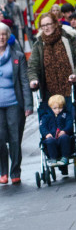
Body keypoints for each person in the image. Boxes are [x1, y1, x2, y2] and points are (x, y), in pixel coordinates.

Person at [27, 13, 76, 141]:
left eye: (48, 24)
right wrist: (33, 79)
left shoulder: (68, 39)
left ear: (55, 24)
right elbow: (33, 66)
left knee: (73, 121)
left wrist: (75, 75)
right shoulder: (39, 45)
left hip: (69, 89)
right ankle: (58, 151)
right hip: (50, 93)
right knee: (52, 122)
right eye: (43, 26)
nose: (46, 28)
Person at [0, 21, 32, 185]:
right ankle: (3, 171)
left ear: (8, 36)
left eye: (4, 34)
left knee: (14, 138)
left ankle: (15, 172)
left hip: (14, 103)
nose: (1, 37)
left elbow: (24, 82)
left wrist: (28, 105)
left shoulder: (17, 56)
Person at [39, 93, 74, 164]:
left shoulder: (66, 114)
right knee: (49, 141)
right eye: (55, 108)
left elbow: (69, 123)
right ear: (50, 107)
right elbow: (42, 126)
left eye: (60, 108)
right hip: (51, 136)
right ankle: (53, 158)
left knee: (65, 138)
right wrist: (46, 134)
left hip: (62, 136)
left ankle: (65, 157)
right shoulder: (46, 116)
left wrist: (65, 131)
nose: (58, 110)